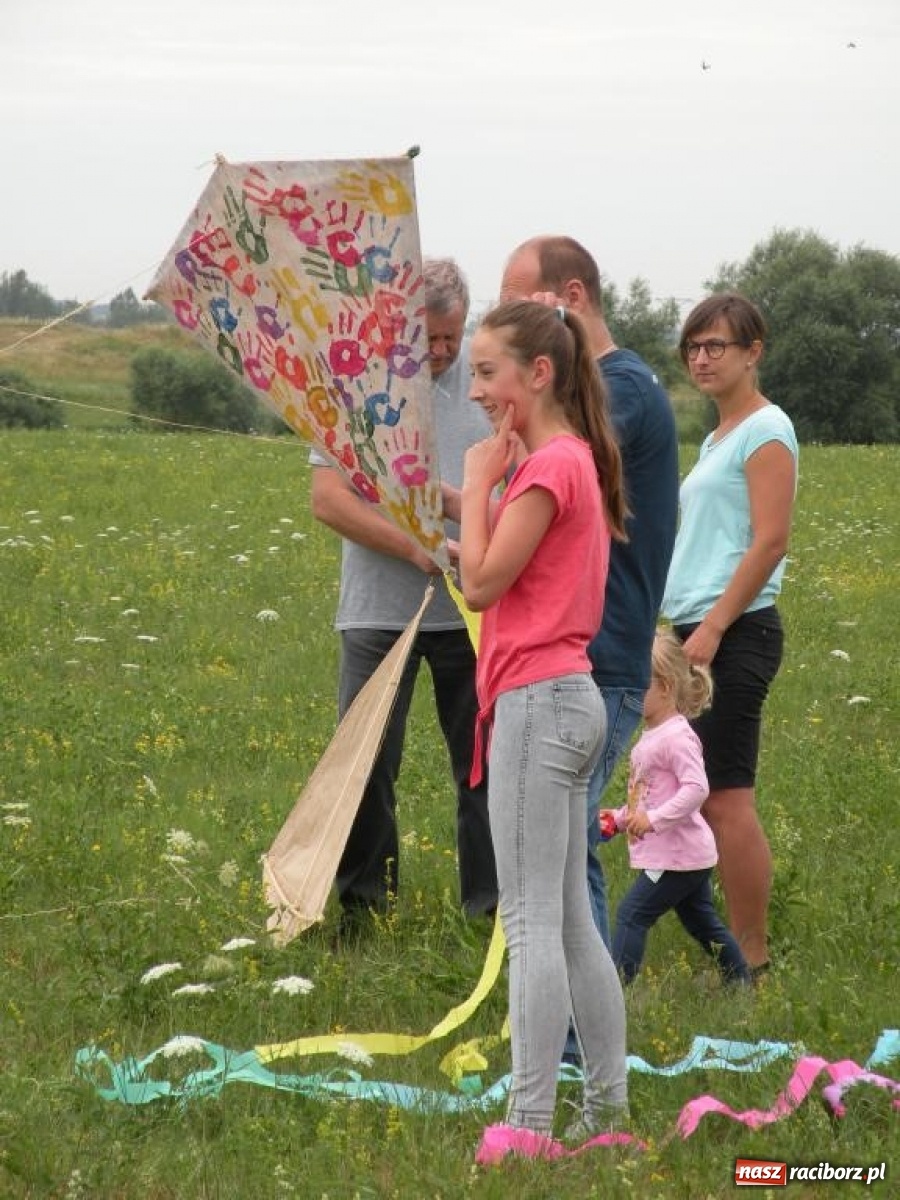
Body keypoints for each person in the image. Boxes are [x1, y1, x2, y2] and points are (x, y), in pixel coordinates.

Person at [444, 299, 629, 1157]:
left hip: (538, 704)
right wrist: (459, 499)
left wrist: (479, 485)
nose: (475, 389)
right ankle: (608, 1112)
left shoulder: (547, 466)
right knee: (567, 924)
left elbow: (480, 586)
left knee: (528, 925)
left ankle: (528, 1125)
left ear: (540, 373)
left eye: (487, 372)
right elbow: (502, 561)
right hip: (570, 700)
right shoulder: (569, 460)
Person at [500, 236, 679, 948]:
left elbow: (551, 467)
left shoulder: (620, 388)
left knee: (561, 844)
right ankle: (583, 1029)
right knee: (564, 842)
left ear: (569, 300)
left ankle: (577, 1033)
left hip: (601, 657)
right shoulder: (603, 389)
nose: (508, 320)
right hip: (586, 654)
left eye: (521, 303)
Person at [309, 257, 498, 932]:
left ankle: (489, 910)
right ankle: (363, 913)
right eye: (428, 337)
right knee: (364, 766)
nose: (443, 351)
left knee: (481, 766)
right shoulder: (356, 382)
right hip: (376, 612)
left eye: (452, 337)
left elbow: (510, 495)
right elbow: (327, 501)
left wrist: (463, 540)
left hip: (469, 610)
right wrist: (415, 549)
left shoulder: (489, 388)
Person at [662, 292, 798, 977]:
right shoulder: (718, 436)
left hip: (735, 631)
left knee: (725, 796)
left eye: (717, 346)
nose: (702, 358)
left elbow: (770, 542)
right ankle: (721, 938)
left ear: (753, 352)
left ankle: (753, 954)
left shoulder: (766, 429)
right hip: (697, 629)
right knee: (701, 791)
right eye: (694, 347)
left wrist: (714, 626)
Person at [601, 628, 751, 987]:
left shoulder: (677, 737)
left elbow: (697, 789)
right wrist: (620, 818)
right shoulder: (653, 735)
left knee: (632, 914)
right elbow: (650, 795)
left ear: (665, 686)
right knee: (702, 922)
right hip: (680, 854)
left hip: (675, 856)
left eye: (640, 684)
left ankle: (615, 990)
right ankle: (740, 981)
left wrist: (652, 820)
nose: (633, 693)